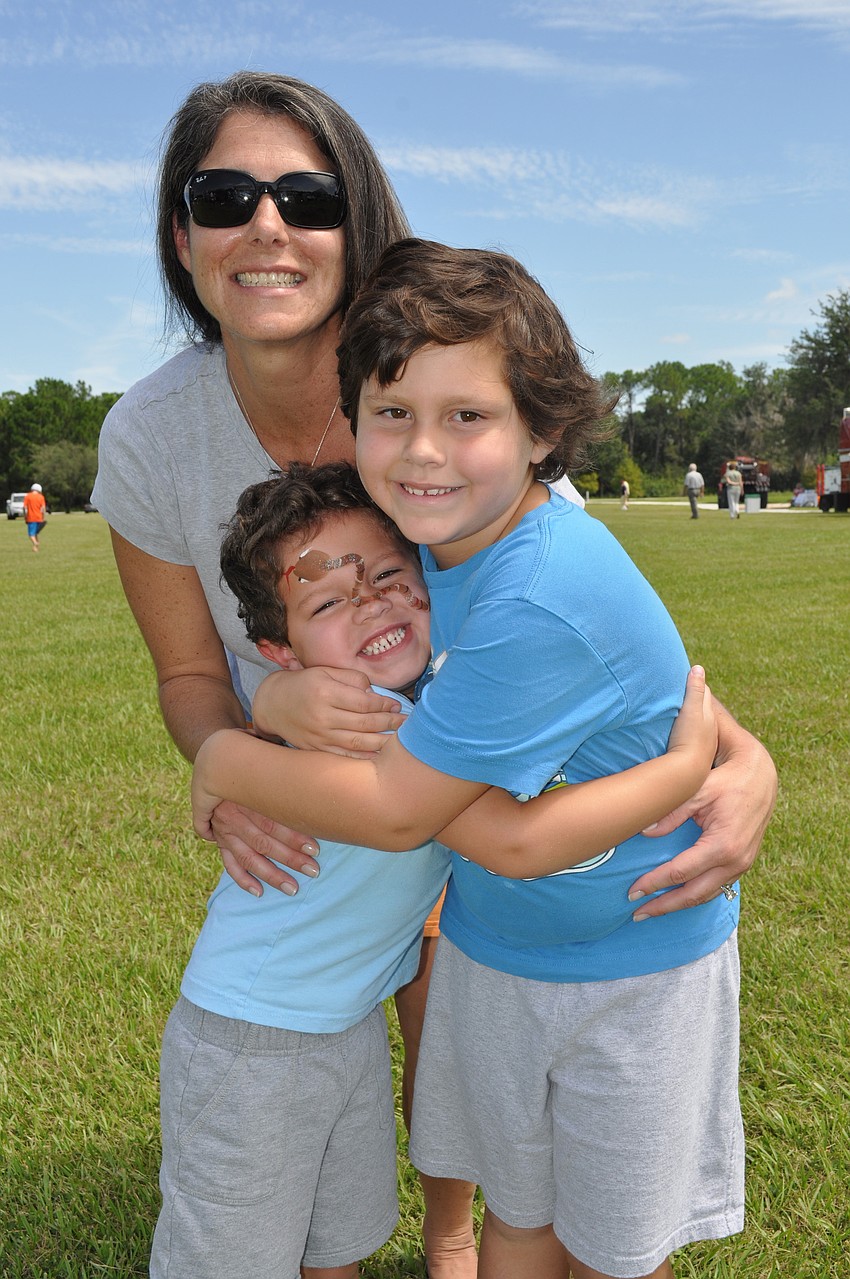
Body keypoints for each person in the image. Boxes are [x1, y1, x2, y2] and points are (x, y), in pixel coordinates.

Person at [92, 70, 773, 1274]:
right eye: (223, 193)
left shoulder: (459, 401)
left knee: (448, 935)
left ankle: (452, 1229)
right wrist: (239, 735)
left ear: (356, 224)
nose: (265, 224)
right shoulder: (155, 430)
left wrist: (734, 761)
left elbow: (602, 648)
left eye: (303, 195)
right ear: (179, 230)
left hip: (469, 819)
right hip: (366, 805)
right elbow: (188, 675)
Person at [161, 458, 713, 1279]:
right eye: (328, 601)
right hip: (251, 1038)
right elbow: (513, 841)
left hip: (340, 1025)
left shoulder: (435, 695)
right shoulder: (363, 728)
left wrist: (252, 723)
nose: (373, 602)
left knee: (331, 1245)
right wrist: (681, 768)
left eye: (388, 574)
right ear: (278, 650)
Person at [22, 482, 47, 551]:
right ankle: (36, 548)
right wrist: (43, 517)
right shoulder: (41, 497)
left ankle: (35, 543)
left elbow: (24, 507)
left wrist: (25, 516)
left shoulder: (28, 496)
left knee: (31, 534)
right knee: (35, 533)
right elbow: (43, 508)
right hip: (39, 517)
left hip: (31, 518)